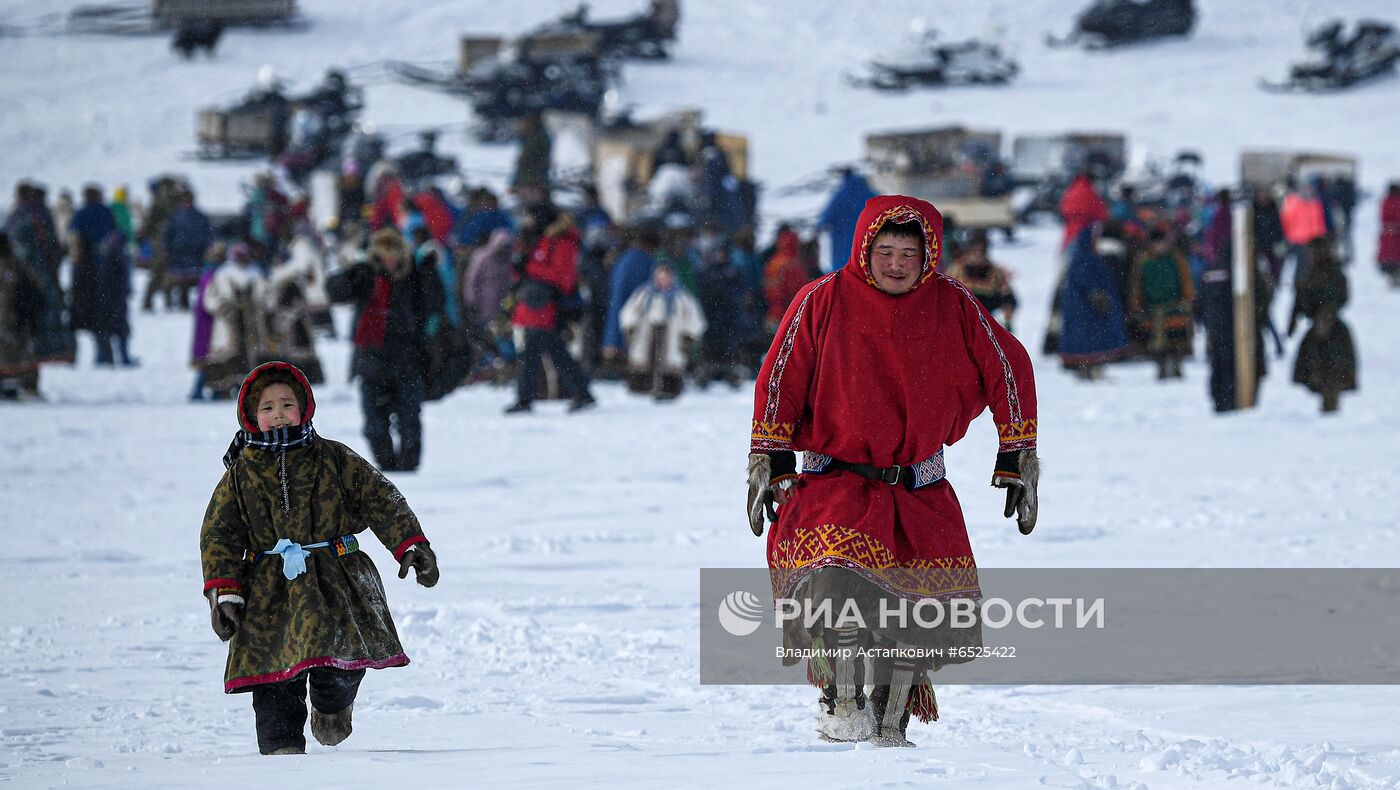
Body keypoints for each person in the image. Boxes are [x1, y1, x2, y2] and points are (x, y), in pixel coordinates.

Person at [746, 195, 1038, 747]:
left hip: (918, 489)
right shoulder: (822, 299)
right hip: (836, 482)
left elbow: (1009, 366)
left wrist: (1018, 453)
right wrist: (770, 455)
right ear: (864, 248)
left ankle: (890, 720)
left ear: (929, 255)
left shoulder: (952, 304)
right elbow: (780, 376)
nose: (897, 263)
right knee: (835, 589)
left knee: (909, 621)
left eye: (910, 252)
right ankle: (840, 699)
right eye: (886, 251)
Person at [199, 361, 440, 756]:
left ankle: (332, 704)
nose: (278, 413)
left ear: (305, 407)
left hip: (334, 577)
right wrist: (224, 592)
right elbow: (219, 535)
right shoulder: (240, 475)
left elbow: (381, 499)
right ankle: (281, 750)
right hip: (268, 588)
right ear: (251, 416)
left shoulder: (334, 458)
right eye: (267, 407)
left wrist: (411, 544)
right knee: (271, 670)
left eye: (286, 404)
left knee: (340, 655)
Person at [327, 228, 444, 472]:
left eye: (394, 255)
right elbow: (335, 293)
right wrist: (348, 276)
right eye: (384, 255)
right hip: (372, 359)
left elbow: (435, 302)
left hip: (408, 358)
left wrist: (430, 274)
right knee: (374, 426)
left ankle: (409, 468)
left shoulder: (415, 275)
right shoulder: (366, 275)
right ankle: (388, 467)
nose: (390, 261)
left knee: (409, 420)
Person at [505, 203, 596, 414]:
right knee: (555, 352)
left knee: (533, 353)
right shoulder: (542, 239)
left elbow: (562, 278)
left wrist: (527, 266)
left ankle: (525, 399)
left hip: (549, 306)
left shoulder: (562, 241)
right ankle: (581, 392)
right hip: (536, 305)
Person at [619, 262, 706, 399]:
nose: (663, 281)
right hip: (646, 335)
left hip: (672, 338)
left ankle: (668, 387)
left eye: (666, 277)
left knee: (669, 362)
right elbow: (628, 313)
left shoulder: (681, 297)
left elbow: (694, 319)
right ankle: (643, 385)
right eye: (660, 277)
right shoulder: (644, 294)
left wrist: (688, 338)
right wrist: (631, 330)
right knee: (645, 358)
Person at [1289, 239, 1356, 413]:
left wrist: (1326, 314)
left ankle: (1331, 401)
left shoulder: (1331, 273)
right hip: (1321, 329)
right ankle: (1327, 400)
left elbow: (1338, 297)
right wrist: (1295, 317)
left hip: (1332, 329)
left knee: (1331, 368)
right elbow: (1302, 298)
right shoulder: (1313, 273)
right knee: (1320, 368)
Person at [1059, 225, 1129, 380]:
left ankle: (1090, 365)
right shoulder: (1084, 259)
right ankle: (1086, 366)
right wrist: (1097, 295)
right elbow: (1087, 281)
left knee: (1089, 338)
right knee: (1087, 339)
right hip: (1084, 309)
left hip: (1085, 309)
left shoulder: (1087, 257)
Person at [201, 243, 270, 397]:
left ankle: (245, 388)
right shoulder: (222, 275)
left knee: (248, 354)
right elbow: (209, 300)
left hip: (249, 324)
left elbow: (265, 297)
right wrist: (223, 308)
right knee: (227, 354)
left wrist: (257, 307)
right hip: (227, 322)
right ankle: (222, 389)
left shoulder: (255, 274)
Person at [1129, 227, 1195, 380]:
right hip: (1152, 309)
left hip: (1175, 306)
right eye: (1156, 244)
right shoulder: (1143, 260)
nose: (1160, 247)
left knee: (1177, 340)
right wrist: (1137, 305)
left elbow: (1185, 279)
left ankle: (1177, 364)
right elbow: (1136, 285)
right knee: (1157, 344)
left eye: (1162, 243)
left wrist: (1188, 298)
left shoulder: (1176, 258)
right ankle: (1161, 366)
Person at [943, 230, 1018, 332]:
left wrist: (1008, 320)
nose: (977, 254)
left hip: (985, 314)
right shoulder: (957, 268)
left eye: (981, 251)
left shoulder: (995, 271)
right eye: (974, 251)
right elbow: (945, 291)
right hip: (961, 315)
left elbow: (1008, 296)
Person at [0, 232, 43, 399]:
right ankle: (21, 385)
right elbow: (37, 287)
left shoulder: (17, 265)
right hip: (17, 321)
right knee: (20, 356)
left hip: (12, 319)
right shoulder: (19, 265)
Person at [817, 168, 876, 272]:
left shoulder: (840, 195)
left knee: (843, 278)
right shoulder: (868, 193)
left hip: (842, 248)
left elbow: (824, 220)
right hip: (865, 247)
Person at [1378, 183, 1400, 288]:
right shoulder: (1394, 201)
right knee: (1394, 257)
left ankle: (1393, 277)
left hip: (1389, 234)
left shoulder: (1386, 201)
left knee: (1390, 256)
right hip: (1394, 235)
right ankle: (1394, 277)